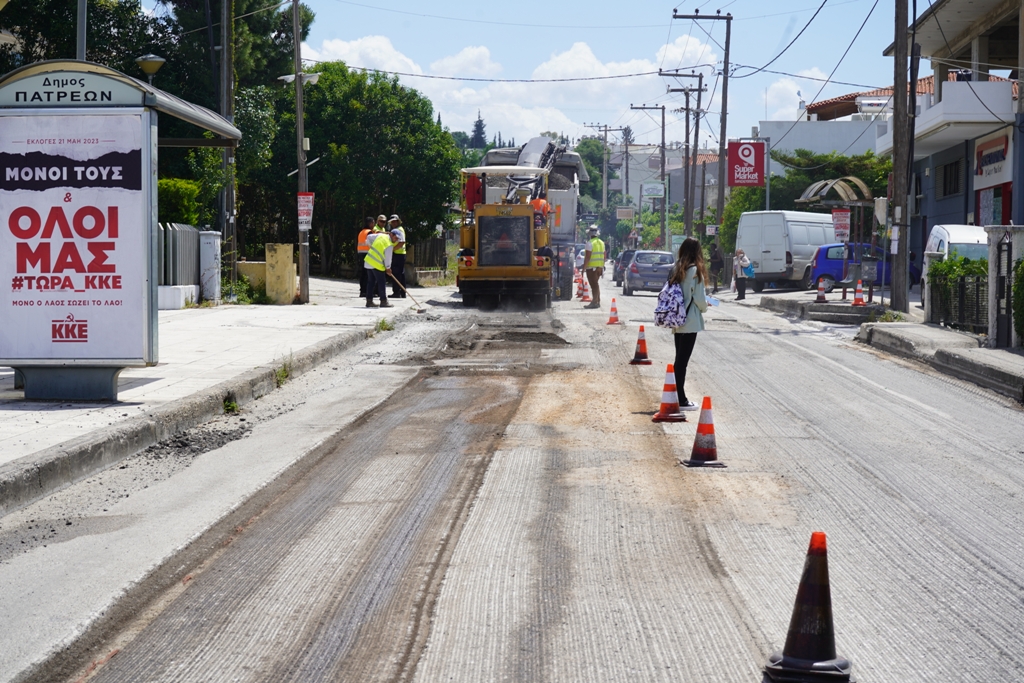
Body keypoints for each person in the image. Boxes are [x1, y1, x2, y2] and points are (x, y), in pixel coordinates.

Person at [667, 237, 709, 411]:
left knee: (679, 359)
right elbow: (699, 299)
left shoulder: (677, 268)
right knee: (682, 362)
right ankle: (681, 399)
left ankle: (675, 395)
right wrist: (706, 307)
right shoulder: (695, 271)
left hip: (677, 319)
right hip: (690, 320)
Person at [364, 229, 400, 308]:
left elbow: (369, 237)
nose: (396, 240)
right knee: (381, 282)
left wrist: (370, 246)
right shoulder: (389, 244)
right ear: (391, 234)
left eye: (397, 239)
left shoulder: (381, 236)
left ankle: (369, 301)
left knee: (371, 282)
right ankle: (383, 301)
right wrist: (388, 268)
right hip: (377, 264)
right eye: (395, 238)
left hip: (369, 261)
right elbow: (388, 258)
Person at [583, 225, 605, 309]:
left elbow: (588, 257)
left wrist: (583, 268)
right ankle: (597, 301)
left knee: (594, 285)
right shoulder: (602, 242)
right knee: (596, 284)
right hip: (599, 267)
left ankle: (595, 302)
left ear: (590, 234)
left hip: (592, 268)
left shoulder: (590, 243)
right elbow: (604, 255)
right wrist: (602, 266)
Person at [388, 214, 407, 298]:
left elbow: (402, 242)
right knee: (401, 274)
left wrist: (392, 249)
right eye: (392, 222)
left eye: (395, 221)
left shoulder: (399, 230)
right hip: (400, 254)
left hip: (398, 254)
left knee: (396, 274)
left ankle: (397, 292)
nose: (393, 223)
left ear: (398, 221)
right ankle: (402, 292)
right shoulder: (397, 230)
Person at [357, 216, 374, 298]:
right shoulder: (369, 232)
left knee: (363, 273)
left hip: (360, 253)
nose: (373, 224)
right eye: (373, 223)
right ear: (370, 223)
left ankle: (362, 291)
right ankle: (366, 291)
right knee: (368, 273)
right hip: (367, 253)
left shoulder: (361, 232)